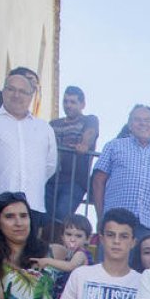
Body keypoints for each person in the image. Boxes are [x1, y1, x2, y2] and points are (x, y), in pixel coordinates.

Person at [0, 68, 58, 236]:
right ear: (3, 91)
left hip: (31, 207)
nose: (16, 95)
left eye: (23, 91)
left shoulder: (44, 129)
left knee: (23, 261)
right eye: (11, 89)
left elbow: (49, 166)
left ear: (31, 96)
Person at [92, 105, 150, 238]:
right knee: (109, 259)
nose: (142, 123)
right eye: (137, 119)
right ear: (130, 124)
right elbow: (98, 182)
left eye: (147, 120)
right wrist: (101, 217)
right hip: (115, 223)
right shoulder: (113, 146)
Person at [45, 86, 99, 224]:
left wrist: (85, 145)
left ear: (82, 104)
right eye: (65, 101)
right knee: (44, 217)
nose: (68, 105)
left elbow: (90, 133)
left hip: (75, 180)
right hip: (51, 179)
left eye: (73, 102)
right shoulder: (53, 123)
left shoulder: (89, 120)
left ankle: (56, 245)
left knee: (62, 217)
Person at [42, 213, 92, 298]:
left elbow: (70, 266)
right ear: (62, 236)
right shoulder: (70, 254)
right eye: (68, 234)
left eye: (78, 236)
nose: (72, 239)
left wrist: (48, 261)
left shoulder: (81, 253)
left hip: (78, 295)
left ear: (87, 239)